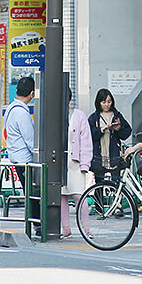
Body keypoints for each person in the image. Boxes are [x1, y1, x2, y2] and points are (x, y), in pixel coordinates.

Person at [88, 88, 132, 185]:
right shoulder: (94, 117)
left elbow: (127, 132)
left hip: (114, 154)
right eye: (104, 102)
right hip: (99, 155)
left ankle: (115, 199)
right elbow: (89, 135)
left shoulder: (117, 115)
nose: (107, 104)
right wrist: (101, 130)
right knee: (98, 183)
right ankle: (99, 200)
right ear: (98, 103)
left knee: (115, 182)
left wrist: (118, 128)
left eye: (109, 101)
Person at [63, 96, 93, 238]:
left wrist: (85, 164)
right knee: (61, 196)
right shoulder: (55, 114)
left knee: (79, 195)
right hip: (60, 161)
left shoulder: (79, 115)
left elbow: (86, 142)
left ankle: (86, 228)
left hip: (75, 162)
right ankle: (66, 228)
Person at [4, 76, 37, 186]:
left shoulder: (10, 109)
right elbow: (30, 139)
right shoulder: (22, 113)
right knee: (32, 195)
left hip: (16, 157)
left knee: (27, 193)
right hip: (25, 160)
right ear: (32, 93)